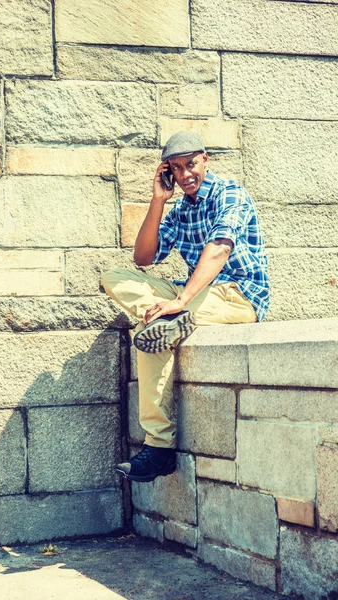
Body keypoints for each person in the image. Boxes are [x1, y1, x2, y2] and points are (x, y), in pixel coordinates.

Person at [101, 130, 269, 483]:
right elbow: (143, 257)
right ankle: (174, 320)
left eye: (190, 164)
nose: (185, 174)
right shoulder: (181, 209)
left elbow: (220, 248)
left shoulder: (230, 194)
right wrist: (158, 201)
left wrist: (179, 300)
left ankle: (159, 448)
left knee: (156, 327)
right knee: (114, 277)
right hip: (198, 295)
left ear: (205, 159)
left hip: (239, 295)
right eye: (176, 169)